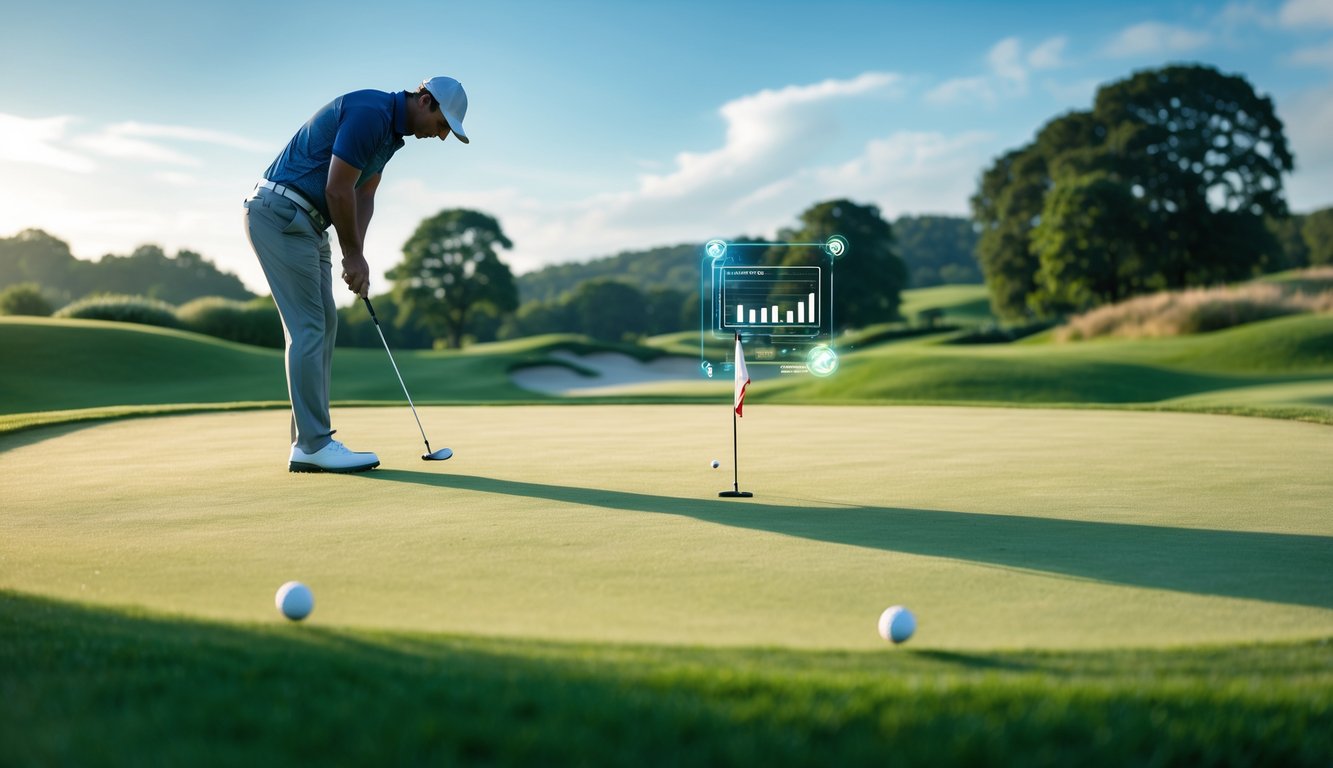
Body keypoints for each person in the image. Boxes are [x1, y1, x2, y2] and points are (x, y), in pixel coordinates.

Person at [244, 76, 469, 473]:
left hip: (308, 224)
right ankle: (313, 445)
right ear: (426, 101)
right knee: (309, 327)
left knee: (324, 324)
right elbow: (337, 189)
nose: (442, 136)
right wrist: (351, 256)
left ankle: (308, 442)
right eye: (443, 124)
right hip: (281, 213)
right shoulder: (371, 113)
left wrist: (358, 255)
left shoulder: (391, 136)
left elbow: (364, 194)